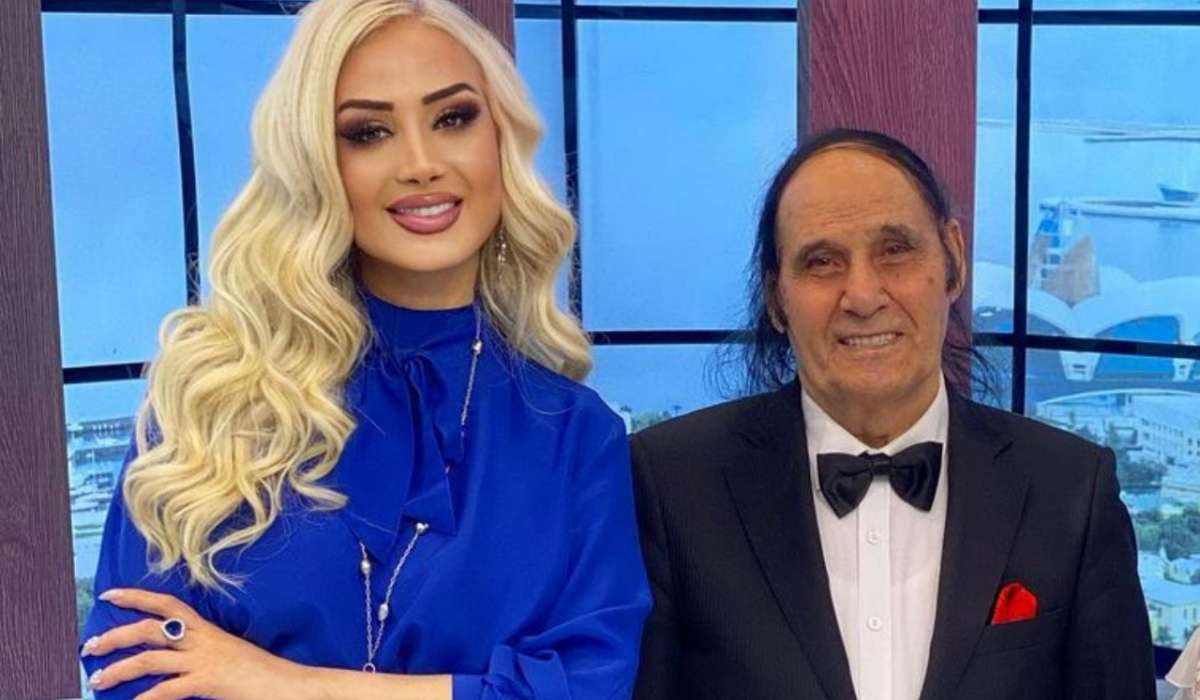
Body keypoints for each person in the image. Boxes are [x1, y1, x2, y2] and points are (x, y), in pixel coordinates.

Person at [77, 1, 650, 698]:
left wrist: (279, 682)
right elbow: (132, 671)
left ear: (501, 138)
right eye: (368, 132)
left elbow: (588, 687)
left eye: (453, 118)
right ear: (316, 162)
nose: (421, 163)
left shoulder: (575, 438)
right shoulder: (209, 403)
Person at [630, 128, 1155, 699]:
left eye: (895, 250)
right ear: (777, 297)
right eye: (822, 261)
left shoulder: (1071, 489)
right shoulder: (673, 485)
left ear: (953, 259)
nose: (862, 295)